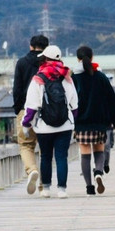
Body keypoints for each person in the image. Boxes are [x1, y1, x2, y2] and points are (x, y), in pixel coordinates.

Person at [21, 44, 78, 199]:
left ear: (45, 59)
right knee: (61, 157)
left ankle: (46, 188)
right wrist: (74, 121)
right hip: (65, 125)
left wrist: (26, 124)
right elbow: (74, 104)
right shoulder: (67, 77)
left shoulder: (38, 79)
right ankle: (62, 190)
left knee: (45, 156)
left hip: (44, 127)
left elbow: (31, 106)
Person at [72, 45, 115, 196]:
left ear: (78, 59)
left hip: (81, 122)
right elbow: (112, 100)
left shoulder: (74, 78)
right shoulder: (101, 77)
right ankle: (98, 172)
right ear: (92, 58)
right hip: (100, 122)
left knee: (85, 153)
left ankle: (89, 187)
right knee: (99, 150)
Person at [12, 34, 48, 195]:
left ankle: (32, 170)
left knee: (26, 145)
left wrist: (18, 109)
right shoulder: (48, 63)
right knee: (45, 149)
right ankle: (43, 186)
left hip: (25, 110)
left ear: (31, 46)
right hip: (47, 112)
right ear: (46, 48)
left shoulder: (21, 63)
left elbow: (17, 89)